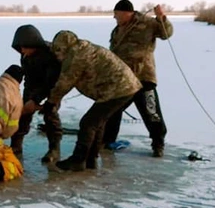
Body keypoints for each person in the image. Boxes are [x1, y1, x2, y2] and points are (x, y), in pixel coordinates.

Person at [39, 30, 142, 172]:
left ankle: (78, 160)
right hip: (123, 87)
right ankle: (91, 159)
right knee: (97, 123)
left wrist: (51, 103)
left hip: (118, 88)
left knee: (88, 123)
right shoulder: (80, 48)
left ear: (63, 47)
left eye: (58, 51)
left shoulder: (76, 55)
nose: (57, 55)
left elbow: (65, 82)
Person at [102, 0, 174, 157]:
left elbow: (166, 33)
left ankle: (158, 144)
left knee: (151, 112)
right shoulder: (117, 31)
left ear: (127, 13)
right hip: (123, 80)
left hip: (143, 78)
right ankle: (107, 141)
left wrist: (162, 18)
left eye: (116, 14)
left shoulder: (147, 24)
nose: (115, 17)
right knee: (112, 110)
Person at [10, 24, 63, 163]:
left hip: (54, 86)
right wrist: (28, 98)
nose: (22, 50)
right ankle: (16, 145)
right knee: (23, 113)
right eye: (20, 48)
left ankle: (54, 149)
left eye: (24, 47)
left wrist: (36, 100)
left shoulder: (51, 55)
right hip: (34, 86)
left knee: (50, 114)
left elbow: (51, 82)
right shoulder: (25, 55)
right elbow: (28, 77)